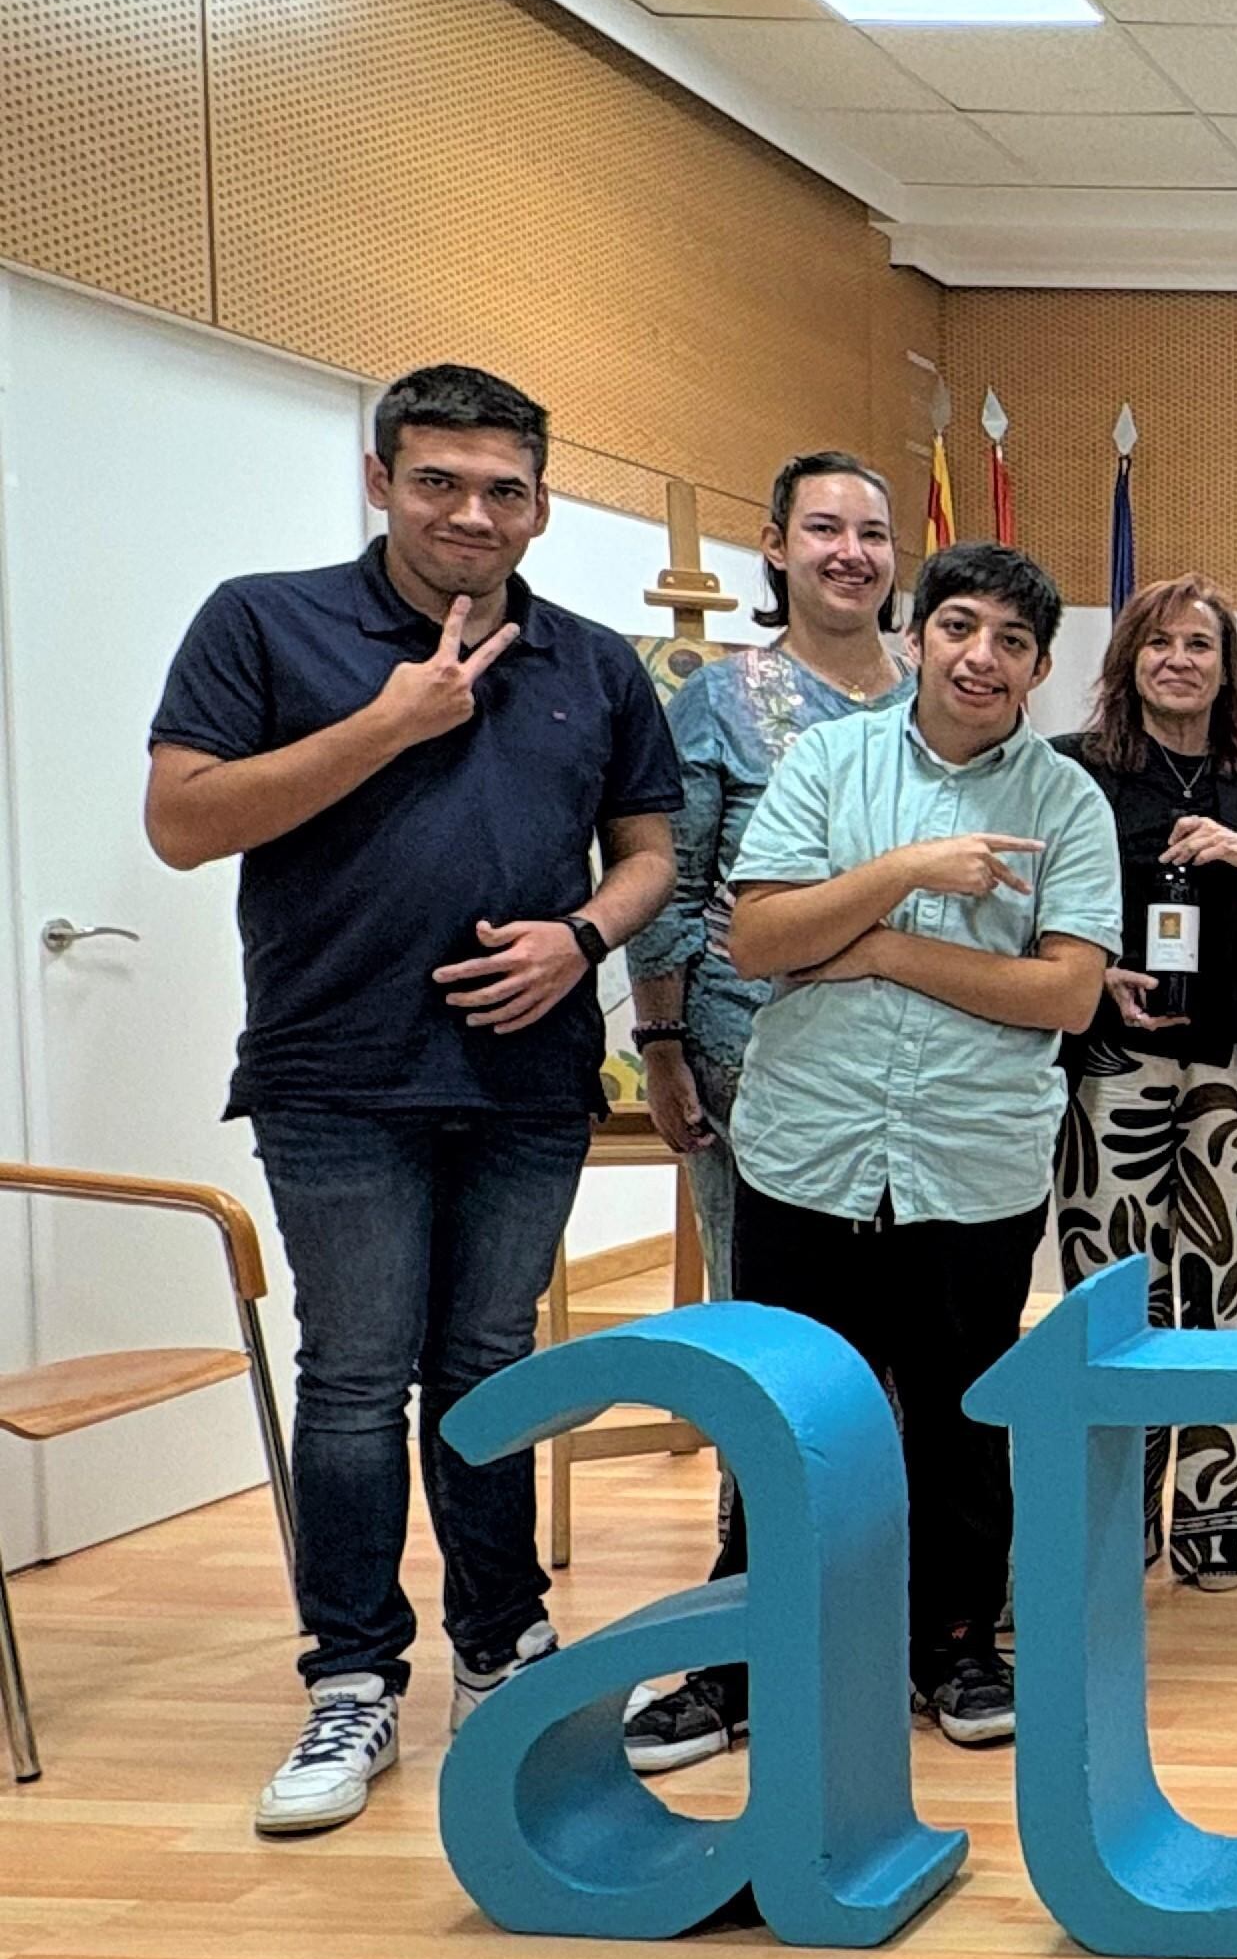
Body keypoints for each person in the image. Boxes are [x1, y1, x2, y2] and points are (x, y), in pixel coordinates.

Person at [147, 363, 682, 1837]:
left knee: (493, 1368)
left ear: (541, 505)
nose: (472, 512)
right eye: (439, 480)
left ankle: (502, 1650)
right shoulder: (267, 621)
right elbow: (184, 821)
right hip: (339, 1071)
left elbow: (647, 847)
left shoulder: (588, 660)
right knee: (355, 1375)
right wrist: (389, 723)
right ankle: (353, 1679)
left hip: (526, 1078)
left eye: (503, 488)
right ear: (379, 479)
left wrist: (581, 936)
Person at [715, 544, 1121, 1749]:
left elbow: (1067, 997)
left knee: (958, 1417)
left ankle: (954, 1644)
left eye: (1010, 640)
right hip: (808, 1147)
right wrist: (906, 872)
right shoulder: (826, 762)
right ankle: (759, 1646)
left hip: (970, 1154)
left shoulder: (1066, 801)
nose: (979, 656)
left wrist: (883, 948)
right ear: (919, 638)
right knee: (786, 1414)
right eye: (958, 627)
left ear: (1040, 669)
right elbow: (757, 940)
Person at [618, 449, 911, 1774]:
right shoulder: (720, 703)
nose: (850, 551)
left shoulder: (935, 692)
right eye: (825, 529)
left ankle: (888, 1630)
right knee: (774, 1358)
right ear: (776, 545)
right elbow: (675, 888)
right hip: (760, 1067)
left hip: (919, 1076)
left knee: (902, 1362)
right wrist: (667, 1042)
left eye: (871, 531)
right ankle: (741, 1649)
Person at [1053, 573, 1237, 1588]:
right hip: (1115, 1060)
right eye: (1158, 643)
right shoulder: (1075, 768)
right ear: (1127, 661)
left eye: (1198, 645)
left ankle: (1234, 1529)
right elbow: (1049, 911)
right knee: (1117, 1290)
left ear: (1226, 665)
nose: (1178, 660)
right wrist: (1097, 980)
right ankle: (1114, 1528)